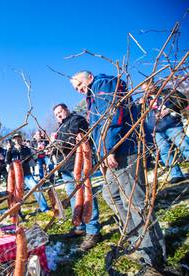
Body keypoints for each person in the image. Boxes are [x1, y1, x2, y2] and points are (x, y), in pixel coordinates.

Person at [70, 71, 166, 272]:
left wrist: (108, 148)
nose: (78, 90)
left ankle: (153, 251)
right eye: (75, 88)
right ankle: (135, 238)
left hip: (124, 149)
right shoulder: (92, 96)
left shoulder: (102, 85)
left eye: (78, 84)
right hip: (112, 152)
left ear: (89, 77)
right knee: (110, 194)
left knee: (134, 200)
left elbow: (113, 115)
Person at [53, 103, 101, 250]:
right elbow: (59, 148)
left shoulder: (76, 120)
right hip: (66, 167)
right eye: (56, 114)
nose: (59, 115)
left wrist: (56, 143)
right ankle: (80, 225)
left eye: (60, 111)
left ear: (66, 109)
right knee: (74, 196)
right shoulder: (60, 127)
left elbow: (71, 139)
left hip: (78, 164)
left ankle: (93, 230)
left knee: (86, 195)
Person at [142, 80, 189, 184]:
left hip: (173, 125)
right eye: (144, 90)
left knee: (184, 145)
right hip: (157, 130)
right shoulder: (145, 101)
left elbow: (184, 101)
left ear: (153, 85)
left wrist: (169, 109)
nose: (147, 92)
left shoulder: (168, 92)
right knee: (164, 152)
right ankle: (176, 175)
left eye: (148, 88)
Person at [6, 133, 49, 212]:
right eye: (15, 138)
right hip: (15, 175)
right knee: (16, 194)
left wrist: (24, 154)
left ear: (21, 139)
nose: (17, 139)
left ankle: (45, 208)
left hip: (26, 173)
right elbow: (7, 161)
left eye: (19, 138)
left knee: (35, 188)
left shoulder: (26, 148)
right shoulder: (11, 150)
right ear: (13, 140)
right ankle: (17, 213)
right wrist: (8, 151)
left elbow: (29, 158)